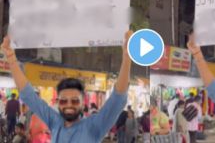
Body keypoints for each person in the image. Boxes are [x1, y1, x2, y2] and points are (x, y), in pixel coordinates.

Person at [1, 31, 132, 143]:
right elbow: (28, 95)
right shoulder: (55, 121)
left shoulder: (94, 126)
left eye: (75, 101)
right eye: (64, 101)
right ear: (58, 103)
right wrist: (11, 58)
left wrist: (126, 59)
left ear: (82, 104)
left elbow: (117, 98)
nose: (69, 105)